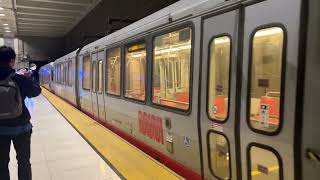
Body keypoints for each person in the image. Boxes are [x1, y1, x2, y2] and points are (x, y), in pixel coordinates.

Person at [0, 46, 41, 180]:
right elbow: (36, 91)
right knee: (23, 162)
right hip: (21, 127)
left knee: (1, 164)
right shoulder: (19, 79)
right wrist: (29, 78)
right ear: (12, 60)